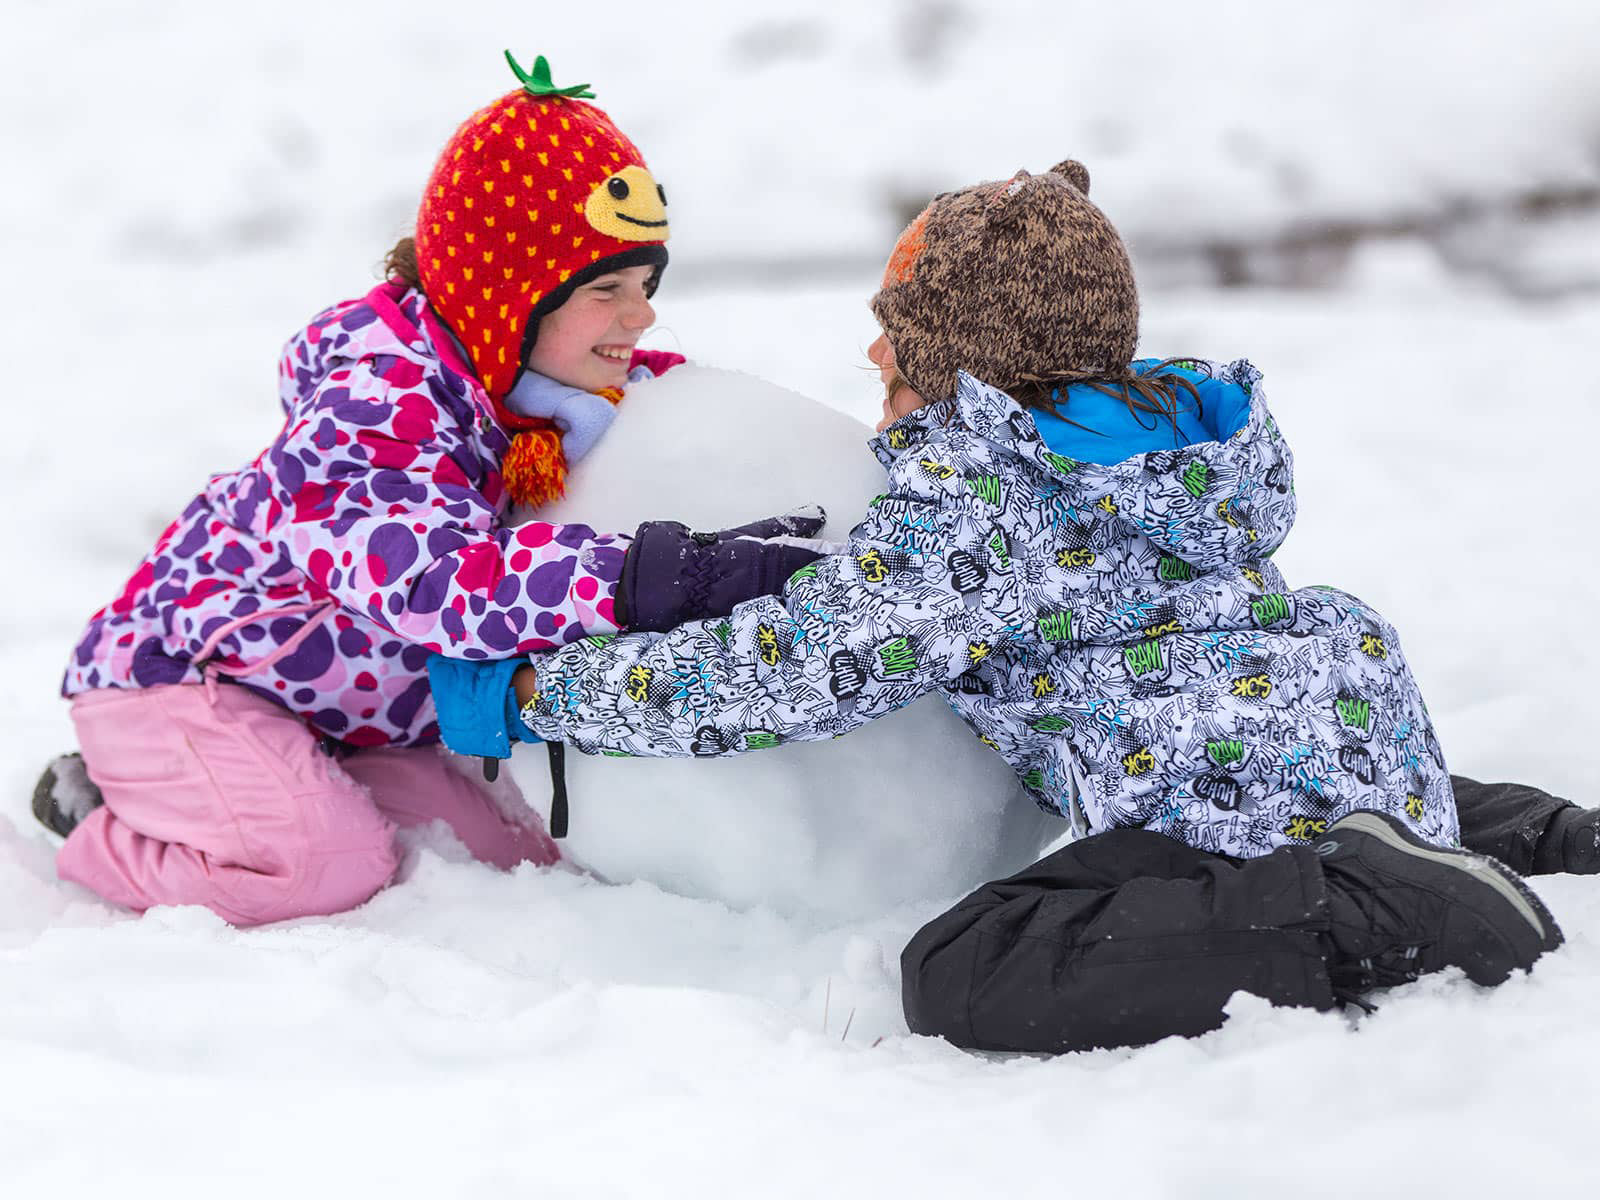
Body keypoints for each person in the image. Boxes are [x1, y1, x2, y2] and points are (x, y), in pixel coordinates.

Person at [428, 157, 1590, 1052]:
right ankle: (1531, 840)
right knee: (1314, 783)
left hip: (1211, 800)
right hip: (1339, 715)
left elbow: (793, 667)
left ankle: (1363, 907)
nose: (872, 341)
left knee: (966, 969)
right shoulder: (1160, 437)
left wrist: (548, 693)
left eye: (901, 322)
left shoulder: (982, 504)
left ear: (969, 356)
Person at [32, 53, 823, 928]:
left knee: (511, 854)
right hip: (186, 683)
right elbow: (438, 585)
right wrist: (647, 575)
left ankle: (272, 791)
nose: (639, 317)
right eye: (606, 291)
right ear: (506, 297)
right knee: (320, 867)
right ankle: (95, 819)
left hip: (343, 714)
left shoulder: (537, 392)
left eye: (644, 286)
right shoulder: (371, 404)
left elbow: (685, 414)